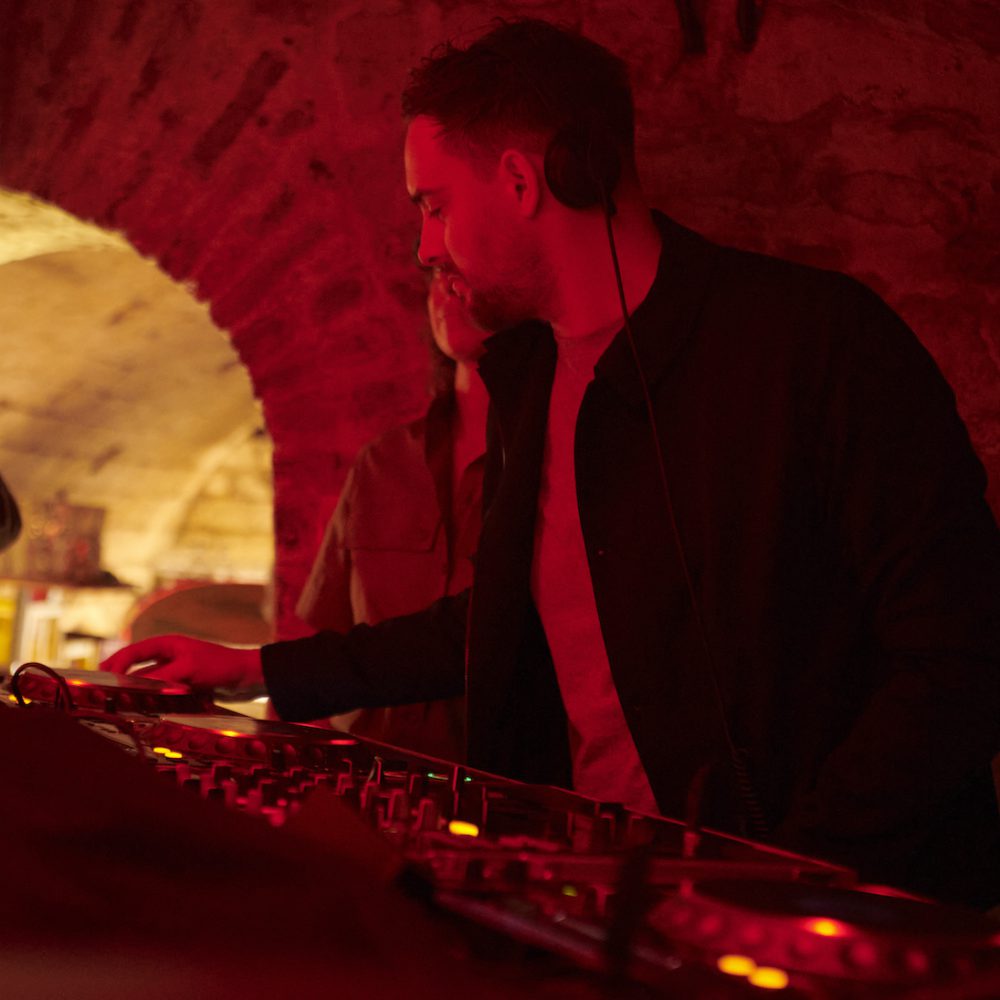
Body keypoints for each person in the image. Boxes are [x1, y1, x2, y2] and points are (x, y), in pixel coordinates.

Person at [104, 19, 1000, 907]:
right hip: (616, 899)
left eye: (433, 205)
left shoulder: (817, 344)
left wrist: (789, 879)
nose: (425, 247)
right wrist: (259, 669)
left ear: (522, 181)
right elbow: (509, 618)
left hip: (822, 919)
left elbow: (962, 656)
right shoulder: (532, 379)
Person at [296, 270, 489, 759]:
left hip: (501, 779)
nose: (447, 288)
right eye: (438, 272)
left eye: (463, 269)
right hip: (367, 768)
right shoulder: (383, 463)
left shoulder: (553, 463)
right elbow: (328, 628)